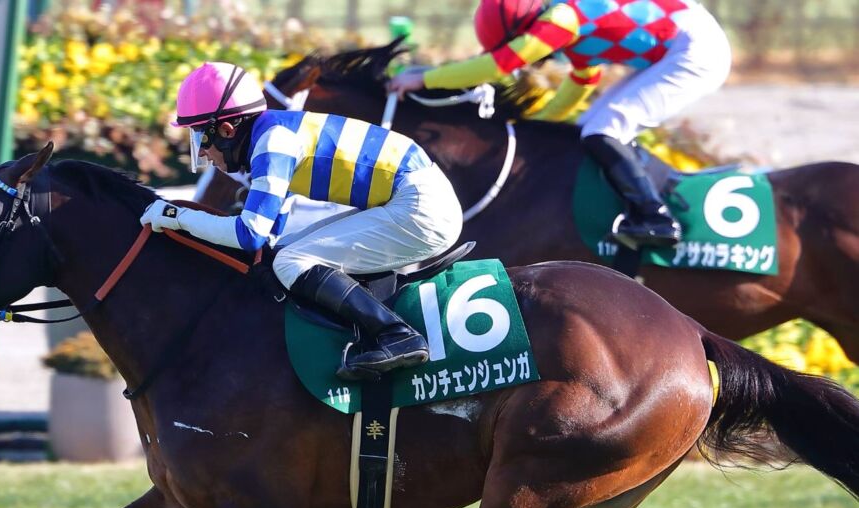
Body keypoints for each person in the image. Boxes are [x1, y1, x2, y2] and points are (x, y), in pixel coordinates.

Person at [142, 62, 463, 379]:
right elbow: (270, 236)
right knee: (286, 255)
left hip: (422, 207)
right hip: (412, 197)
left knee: (291, 262)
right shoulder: (272, 134)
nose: (203, 152)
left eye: (201, 137)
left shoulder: (273, 142)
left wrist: (177, 216)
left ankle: (396, 335)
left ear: (226, 130)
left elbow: (249, 235)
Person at [389, 0, 732, 249]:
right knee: (590, 126)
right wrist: (531, 128)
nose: (533, 59)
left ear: (525, 30)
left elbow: (500, 65)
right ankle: (635, 201)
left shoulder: (562, 19)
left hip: (696, 50)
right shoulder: (571, 24)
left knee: (606, 128)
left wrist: (424, 79)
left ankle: (656, 218)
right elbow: (583, 81)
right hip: (685, 41)